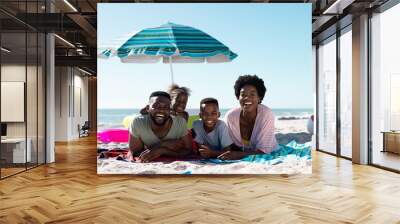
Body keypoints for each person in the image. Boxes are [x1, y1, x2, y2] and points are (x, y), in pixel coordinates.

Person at [222, 75, 278, 160]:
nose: (247, 98)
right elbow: (228, 145)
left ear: (259, 98)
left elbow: (263, 152)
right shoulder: (230, 117)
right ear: (238, 97)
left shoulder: (266, 114)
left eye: (252, 94)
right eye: (243, 94)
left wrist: (238, 155)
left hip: (270, 153)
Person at [128, 91, 192, 162]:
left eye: (166, 107)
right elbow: (135, 152)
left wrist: (163, 150)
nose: (161, 110)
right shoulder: (138, 122)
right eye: (156, 106)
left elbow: (188, 150)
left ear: (170, 109)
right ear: (147, 108)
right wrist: (163, 144)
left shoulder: (180, 121)